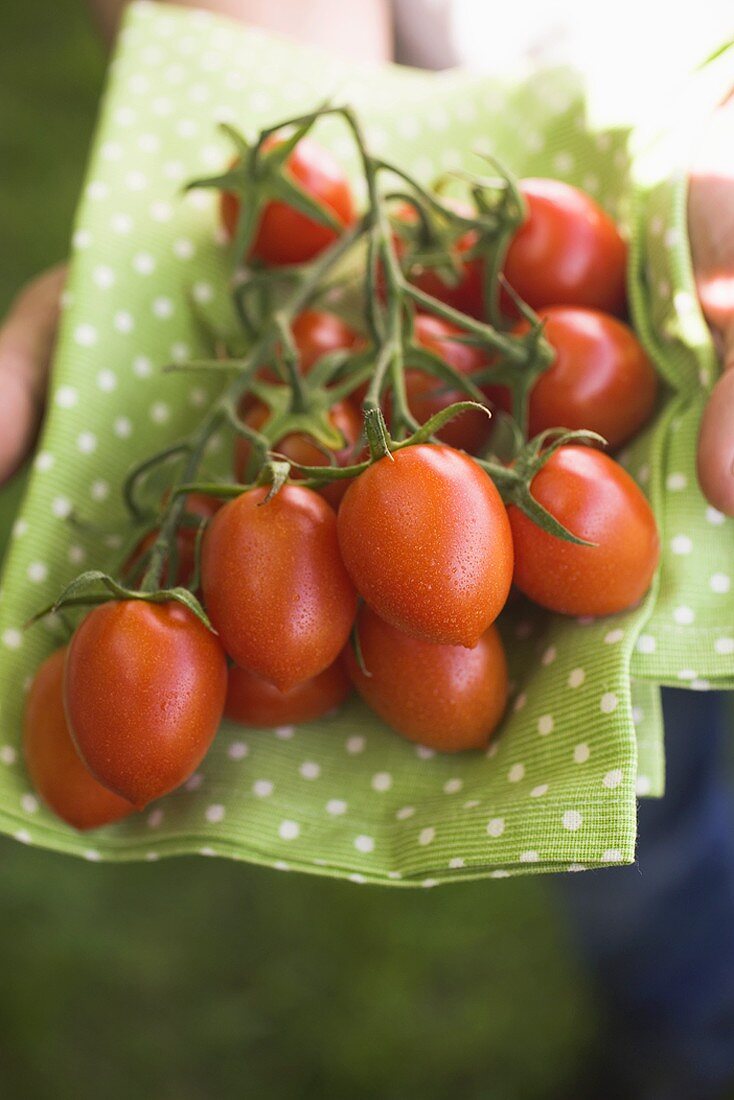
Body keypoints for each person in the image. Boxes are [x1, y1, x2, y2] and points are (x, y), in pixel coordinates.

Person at [1, 3, 733, 1097]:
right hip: (449, 139)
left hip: (674, 137)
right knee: (652, 840)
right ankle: (685, 1028)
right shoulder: (314, 488)